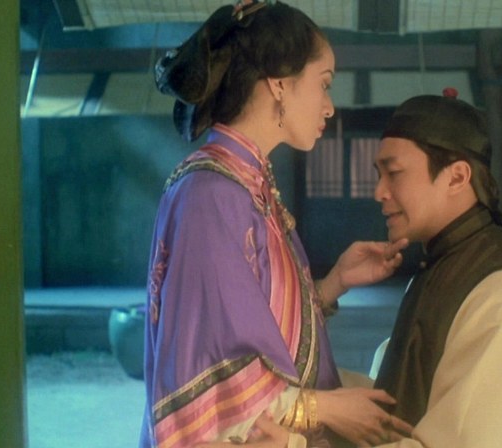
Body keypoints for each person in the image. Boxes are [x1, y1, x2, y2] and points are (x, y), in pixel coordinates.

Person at [139, 1, 412, 447]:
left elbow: (250, 323)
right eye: (324, 84)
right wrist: (325, 409)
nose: (329, 107)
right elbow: (210, 373)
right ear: (280, 83)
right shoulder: (210, 194)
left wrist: (334, 283)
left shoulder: (246, 182)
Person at [369, 89, 502, 447]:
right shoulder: (440, 267)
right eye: (379, 174)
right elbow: (399, 395)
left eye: (395, 173)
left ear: (456, 177)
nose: (379, 192)